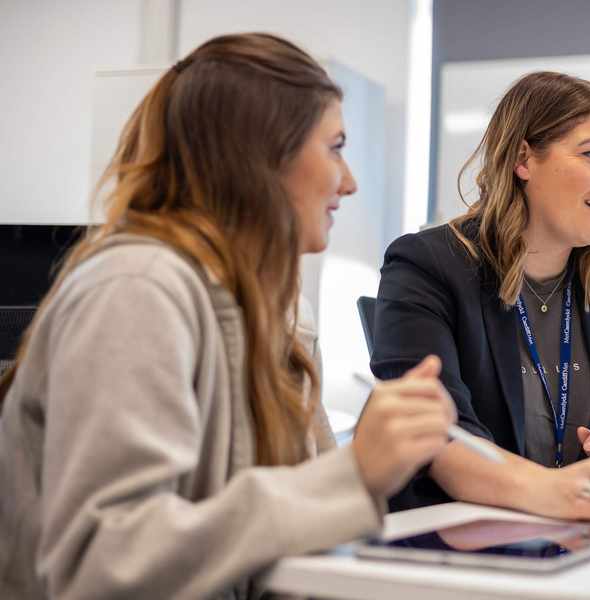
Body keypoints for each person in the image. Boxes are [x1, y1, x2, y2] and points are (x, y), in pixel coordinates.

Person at [0, 33, 457, 600]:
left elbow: (292, 535)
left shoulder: (279, 312)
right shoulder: (138, 290)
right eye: (334, 146)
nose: (349, 180)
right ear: (261, 157)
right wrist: (353, 475)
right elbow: (104, 564)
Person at [372, 71, 590, 517]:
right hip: (463, 543)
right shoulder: (426, 265)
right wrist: (559, 492)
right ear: (523, 159)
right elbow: (438, 439)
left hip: (580, 533)